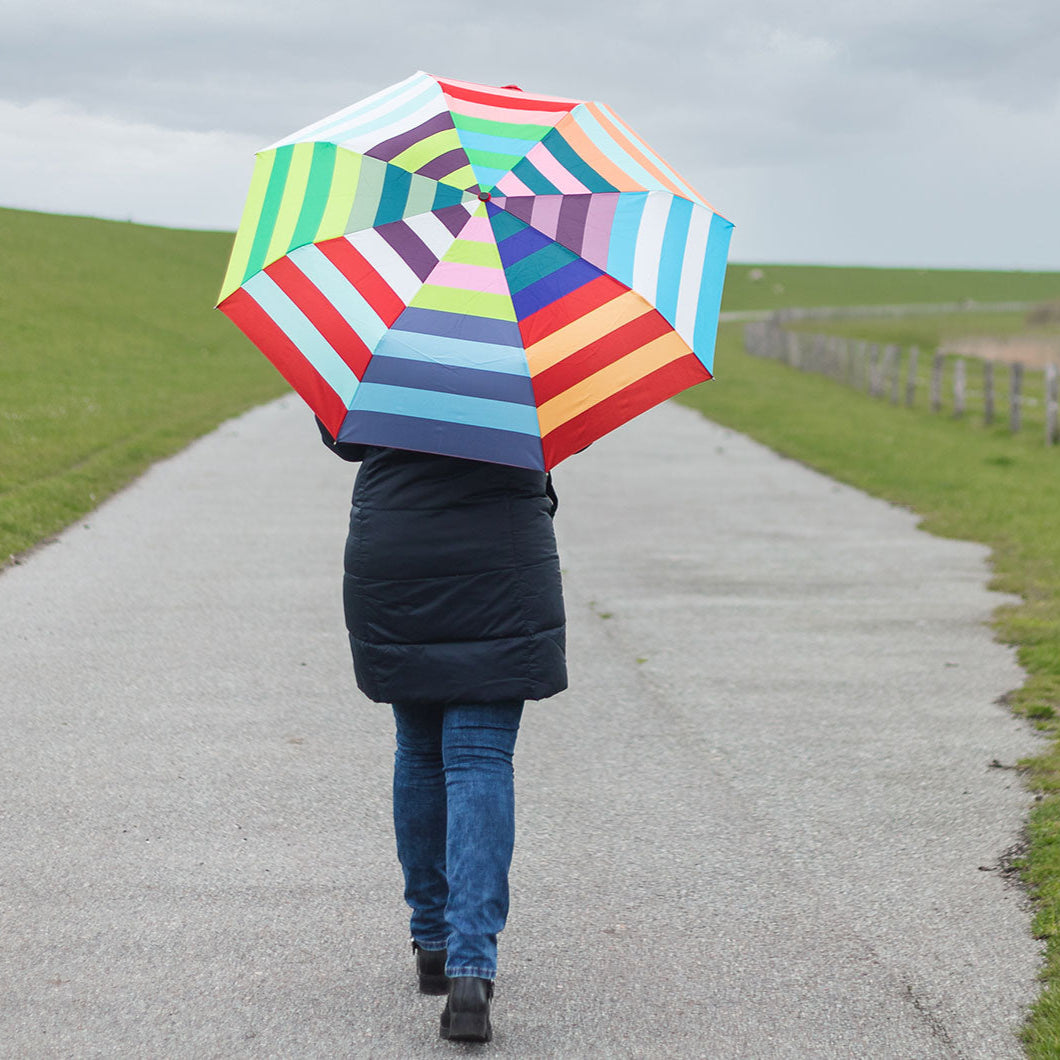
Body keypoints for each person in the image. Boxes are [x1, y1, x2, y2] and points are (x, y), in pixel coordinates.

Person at [318, 420, 567, 1043]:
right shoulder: (529, 349)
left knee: (421, 751)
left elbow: (343, 437)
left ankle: (432, 940)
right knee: (480, 756)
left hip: (397, 551)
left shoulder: (387, 335)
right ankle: (471, 969)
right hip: (502, 556)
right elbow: (561, 435)